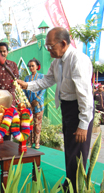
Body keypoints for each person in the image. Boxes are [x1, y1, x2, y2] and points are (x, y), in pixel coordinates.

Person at [17, 27, 93, 192]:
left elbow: (85, 96)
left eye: (50, 46)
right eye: (47, 46)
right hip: (67, 108)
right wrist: (27, 85)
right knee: (70, 150)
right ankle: (70, 182)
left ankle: (78, 187)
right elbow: (46, 81)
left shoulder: (77, 60)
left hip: (78, 109)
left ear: (63, 43)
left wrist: (83, 124)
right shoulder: (57, 62)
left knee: (78, 151)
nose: (48, 49)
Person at [24, 59, 46, 149]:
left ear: (37, 66)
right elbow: (24, 90)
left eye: (33, 66)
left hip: (38, 105)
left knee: (37, 124)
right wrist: (27, 102)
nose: (31, 68)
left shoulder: (41, 76)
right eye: (29, 66)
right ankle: (30, 142)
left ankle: (37, 143)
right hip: (29, 105)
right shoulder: (26, 78)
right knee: (29, 123)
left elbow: (43, 89)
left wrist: (37, 100)